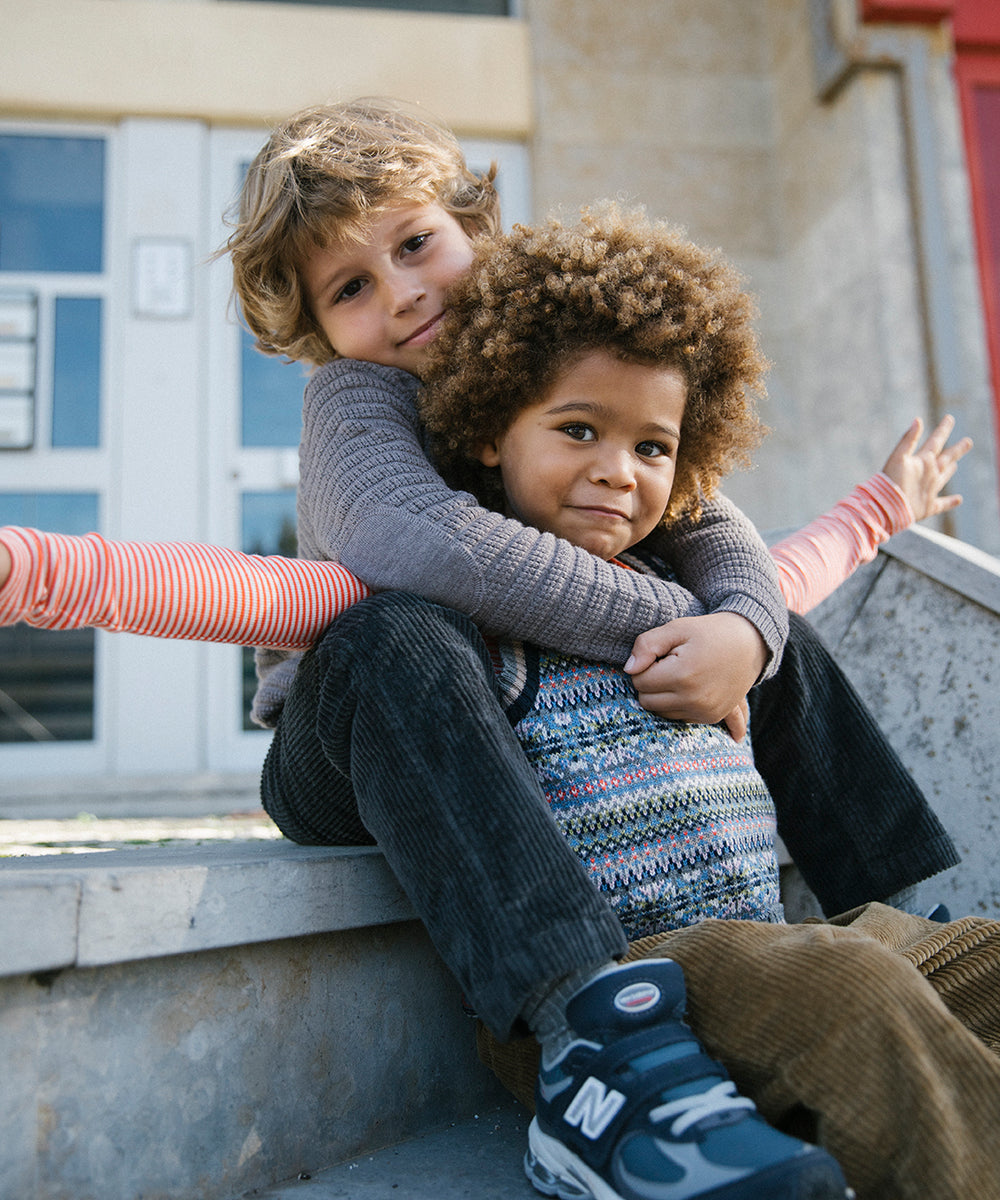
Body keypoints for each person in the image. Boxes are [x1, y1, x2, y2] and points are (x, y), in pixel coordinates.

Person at [0, 205, 983, 1200]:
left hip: (771, 938)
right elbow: (233, 587)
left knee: (792, 663)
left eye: (651, 449)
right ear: (487, 437)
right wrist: (29, 567)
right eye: (577, 432)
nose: (615, 468)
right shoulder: (435, 600)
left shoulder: (679, 608)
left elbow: (785, 574)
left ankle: (901, 908)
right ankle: (593, 1047)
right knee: (855, 993)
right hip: (646, 961)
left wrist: (862, 525)